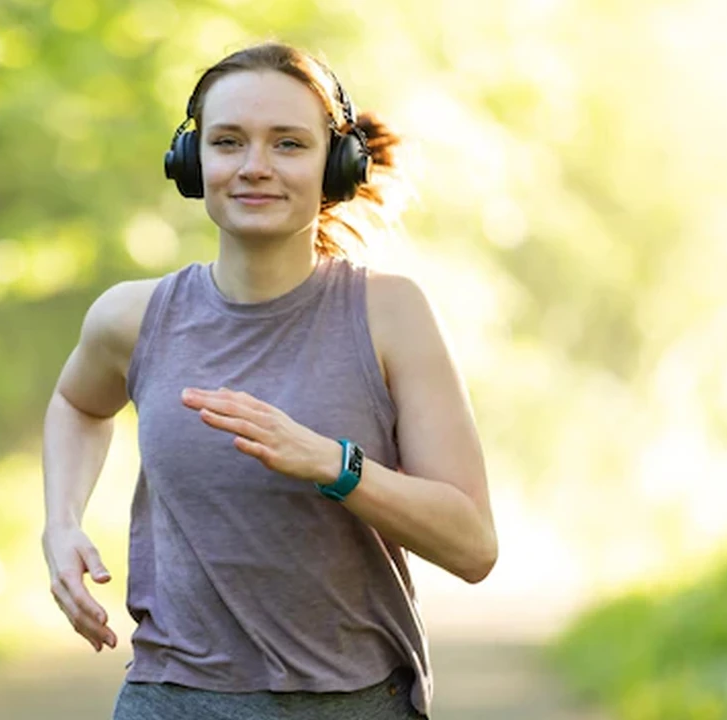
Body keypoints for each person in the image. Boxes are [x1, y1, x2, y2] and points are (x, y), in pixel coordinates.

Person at [41, 41, 497, 719]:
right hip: (171, 698)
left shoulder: (391, 315)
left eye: (288, 144)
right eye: (228, 142)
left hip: (351, 702)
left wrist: (335, 466)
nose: (255, 168)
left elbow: (472, 546)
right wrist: (61, 522)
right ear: (192, 163)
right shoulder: (133, 319)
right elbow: (78, 404)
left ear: (336, 166)